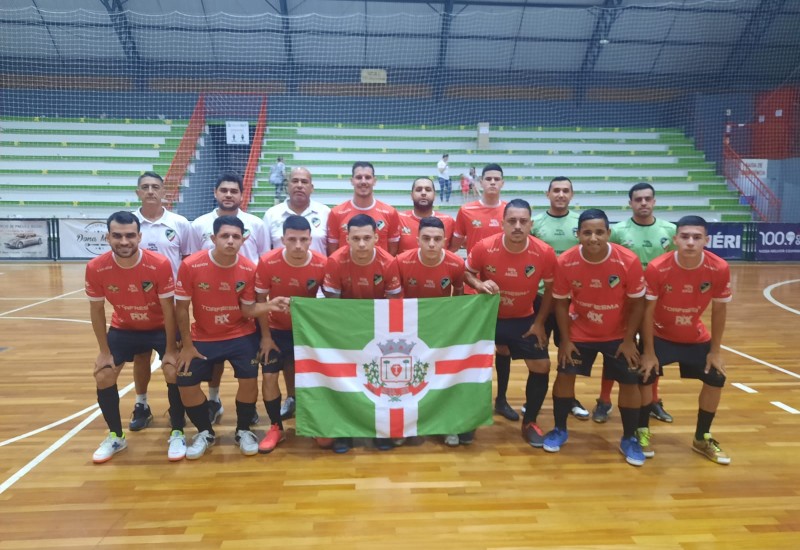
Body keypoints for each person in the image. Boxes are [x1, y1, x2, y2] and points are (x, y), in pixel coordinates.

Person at [174, 216, 287, 460]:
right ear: (213, 238)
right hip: (202, 336)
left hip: (240, 334)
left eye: (236, 236)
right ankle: (205, 432)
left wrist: (270, 306)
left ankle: (244, 430)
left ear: (243, 239)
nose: (230, 241)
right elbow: (181, 308)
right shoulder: (191, 265)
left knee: (248, 381)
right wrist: (186, 345)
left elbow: (247, 311)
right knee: (185, 383)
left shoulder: (248, 268)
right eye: (225, 236)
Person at [545, 208, 647, 467]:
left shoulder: (628, 260)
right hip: (580, 332)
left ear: (608, 234)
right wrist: (566, 341)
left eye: (599, 232)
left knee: (629, 382)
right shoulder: (566, 261)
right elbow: (560, 303)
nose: (593, 238)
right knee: (565, 374)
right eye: (587, 232)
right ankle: (559, 429)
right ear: (578, 234)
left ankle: (629, 438)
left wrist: (628, 340)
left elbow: (638, 304)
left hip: (618, 335)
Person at [85, 211, 182, 463]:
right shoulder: (96, 267)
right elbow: (96, 311)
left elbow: (169, 310)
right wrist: (104, 352)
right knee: (104, 374)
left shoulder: (159, 264)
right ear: (108, 237)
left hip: (160, 327)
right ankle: (116, 436)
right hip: (124, 328)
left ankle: (178, 431)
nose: (124, 241)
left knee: (173, 370)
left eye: (130, 235)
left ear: (139, 237)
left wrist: (171, 348)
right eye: (117, 236)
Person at [637, 216, 732, 464]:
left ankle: (702, 437)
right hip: (660, 335)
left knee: (716, 377)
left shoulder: (719, 267)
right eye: (685, 236)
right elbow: (647, 311)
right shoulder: (658, 267)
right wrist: (648, 350)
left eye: (697, 237)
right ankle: (641, 429)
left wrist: (715, 351)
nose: (690, 242)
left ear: (706, 240)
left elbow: (719, 310)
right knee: (645, 374)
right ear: (675, 239)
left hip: (694, 336)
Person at [465, 199, 557, 448]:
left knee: (542, 365)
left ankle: (530, 422)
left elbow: (551, 290)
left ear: (531, 224)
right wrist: (478, 285)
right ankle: (469, 417)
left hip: (523, 319)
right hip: (488, 318)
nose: (517, 226)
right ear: (502, 223)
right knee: (470, 366)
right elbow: (468, 272)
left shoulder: (544, 252)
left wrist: (539, 323)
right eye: (512, 221)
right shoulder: (484, 247)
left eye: (523, 221)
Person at [189, 171, 271, 425]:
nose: (228, 195)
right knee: (214, 355)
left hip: (248, 299)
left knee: (248, 357)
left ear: (241, 195)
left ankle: (249, 408)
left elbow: (265, 259)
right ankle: (213, 399)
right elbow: (193, 259)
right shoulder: (199, 224)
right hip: (211, 299)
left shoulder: (256, 224)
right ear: (215, 193)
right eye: (223, 190)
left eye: (233, 191)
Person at [593, 183, 677, 424]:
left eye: (647, 199)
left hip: (654, 303)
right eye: (638, 199)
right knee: (615, 352)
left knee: (653, 351)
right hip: (623, 302)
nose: (643, 203)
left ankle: (652, 400)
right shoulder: (618, 231)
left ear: (654, 201)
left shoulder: (670, 230)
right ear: (630, 203)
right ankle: (604, 399)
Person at [322, 214, 402, 453]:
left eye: (367, 238)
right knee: (346, 384)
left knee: (379, 384)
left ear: (377, 237)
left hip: (379, 333)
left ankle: (380, 431)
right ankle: (345, 433)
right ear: (346, 239)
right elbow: (332, 306)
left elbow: (394, 305)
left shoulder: (389, 263)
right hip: (345, 332)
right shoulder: (335, 261)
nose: (362, 244)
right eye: (356, 238)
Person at [253, 215, 327, 453]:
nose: (297, 245)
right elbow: (259, 302)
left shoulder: (322, 263)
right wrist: (265, 337)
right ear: (282, 239)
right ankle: (276, 428)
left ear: (310, 240)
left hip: (307, 332)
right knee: (269, 377)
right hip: (274, 331)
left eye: (303, 240)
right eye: (292, 239)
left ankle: (316, 422)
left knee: (316, 378)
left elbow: (330, 303)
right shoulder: (266, 262)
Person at [449, 163, 515, 421]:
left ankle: (502, 399)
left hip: (503, 288)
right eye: (488, 178)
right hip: (473, 286)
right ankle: (465, 397)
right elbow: (453, 246)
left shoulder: (511, 211)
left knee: (504, 347)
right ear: (480, 182)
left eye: (497, 179)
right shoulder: (466, 210)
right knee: (470, 346)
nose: (492, 183)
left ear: (502, 183)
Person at [262, 166, 330, 420]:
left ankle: (319, 403)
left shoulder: (326, 213)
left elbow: (331, 252)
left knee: (312, 361)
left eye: (305, 181)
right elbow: (265, 252)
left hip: (316, 305)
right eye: (295, 181)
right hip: (281, 301)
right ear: (287, 184)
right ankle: (291, 400)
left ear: (312, 186)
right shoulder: (272, 214)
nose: (300, 185)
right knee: (287, 360)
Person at [129, 171, 193, 433]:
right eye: (145, 187)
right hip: (139, 304)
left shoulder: (179, 223)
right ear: (138, 192)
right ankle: (141, 405)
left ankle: (176, 409)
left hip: (174, 305)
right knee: (140, 356)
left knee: (174, 358)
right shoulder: (129, 223)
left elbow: (188, 263)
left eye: (155, 187)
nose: (150, 191)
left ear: (165, 191)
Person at [396, 216, 466, 446]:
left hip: (441, 330)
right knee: (409, 380)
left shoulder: (456, 264)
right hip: (408, 329)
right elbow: (395, 299)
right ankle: (405, 426)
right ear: (417, 240)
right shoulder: (401, 262)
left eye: (437, 239)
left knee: (441, 378)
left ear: (445, 240)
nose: (432, 244)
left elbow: (458, 295)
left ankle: (446, 425)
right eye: (426, 239)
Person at [530, 176, 589, 421]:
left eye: (566, 191)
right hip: (542, 297)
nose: (561, 195)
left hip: (573, 299)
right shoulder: (536, 224)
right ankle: (535, 400)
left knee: (569, 351)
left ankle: (570, 397)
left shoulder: (581, 223)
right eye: (556, 190)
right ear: (548, 194)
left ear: (572, 195)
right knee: (538, 353)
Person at [326, 161, 401, 256]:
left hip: (378, 270)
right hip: (346, 269)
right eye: (358, 177)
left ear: (374, 181)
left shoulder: (390, 213)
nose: (363, 181)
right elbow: (333, 250)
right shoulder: (336, 213)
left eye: (368, 177)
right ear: (351, 181)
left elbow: (393, 249)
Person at [397, 177, 455, 254]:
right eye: (418, 190)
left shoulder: (448, 221)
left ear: (434, 195)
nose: (423, 193)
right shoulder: (398, 219)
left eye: (428, 190)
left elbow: (455, 245)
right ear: (411, 195)